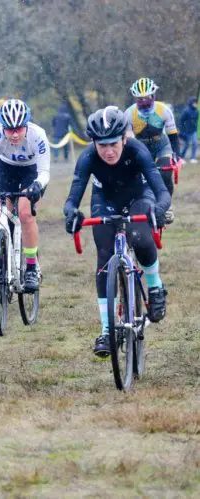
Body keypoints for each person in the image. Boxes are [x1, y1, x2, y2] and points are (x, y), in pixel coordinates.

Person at [63, 107, 169, 357]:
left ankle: (155, 287)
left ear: (123, 138)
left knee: (141, 237)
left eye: (113, 144)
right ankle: (108, 329)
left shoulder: (137, 151)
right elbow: (72, 198)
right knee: (103, 256)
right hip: (105, 200)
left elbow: (161, 190)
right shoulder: (88, 157)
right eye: (102, 146)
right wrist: (71, 214)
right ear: (93, 143)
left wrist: (161, 209)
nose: (108, 151)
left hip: (139, 196)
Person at [0, 99, 50, 292]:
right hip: (6, 170)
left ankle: (31, 266)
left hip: (32, 172)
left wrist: (37, 186)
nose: (14, 134)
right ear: (2, 127)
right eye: (9, 129)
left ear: (26, 125)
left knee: (24, 214)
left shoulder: (38, 135)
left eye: (19, 129)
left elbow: (44, 172)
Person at [125, 77, 180, 223]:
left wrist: (176, 155)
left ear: (153, 96)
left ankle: (167, 206)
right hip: (141, 146)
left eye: (147, 98)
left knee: (165, 173)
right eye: (139, 99)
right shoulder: (129, 114)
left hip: (161, 145)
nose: (143, 102)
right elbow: (129, 141)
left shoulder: (164, 110)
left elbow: (173, 135)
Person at [179, 97, 198, 163]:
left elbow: (195, 121)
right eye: (194, 103)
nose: (195, 104)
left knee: (195, 143)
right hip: (186, 131)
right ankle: (181, 157)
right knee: (186, 144)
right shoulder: (186, 111)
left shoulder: (196, 111)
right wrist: (182, 130)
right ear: (191, 103)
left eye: (196, 103)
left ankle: (193, 158)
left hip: (193, 130)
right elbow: (181, 120)